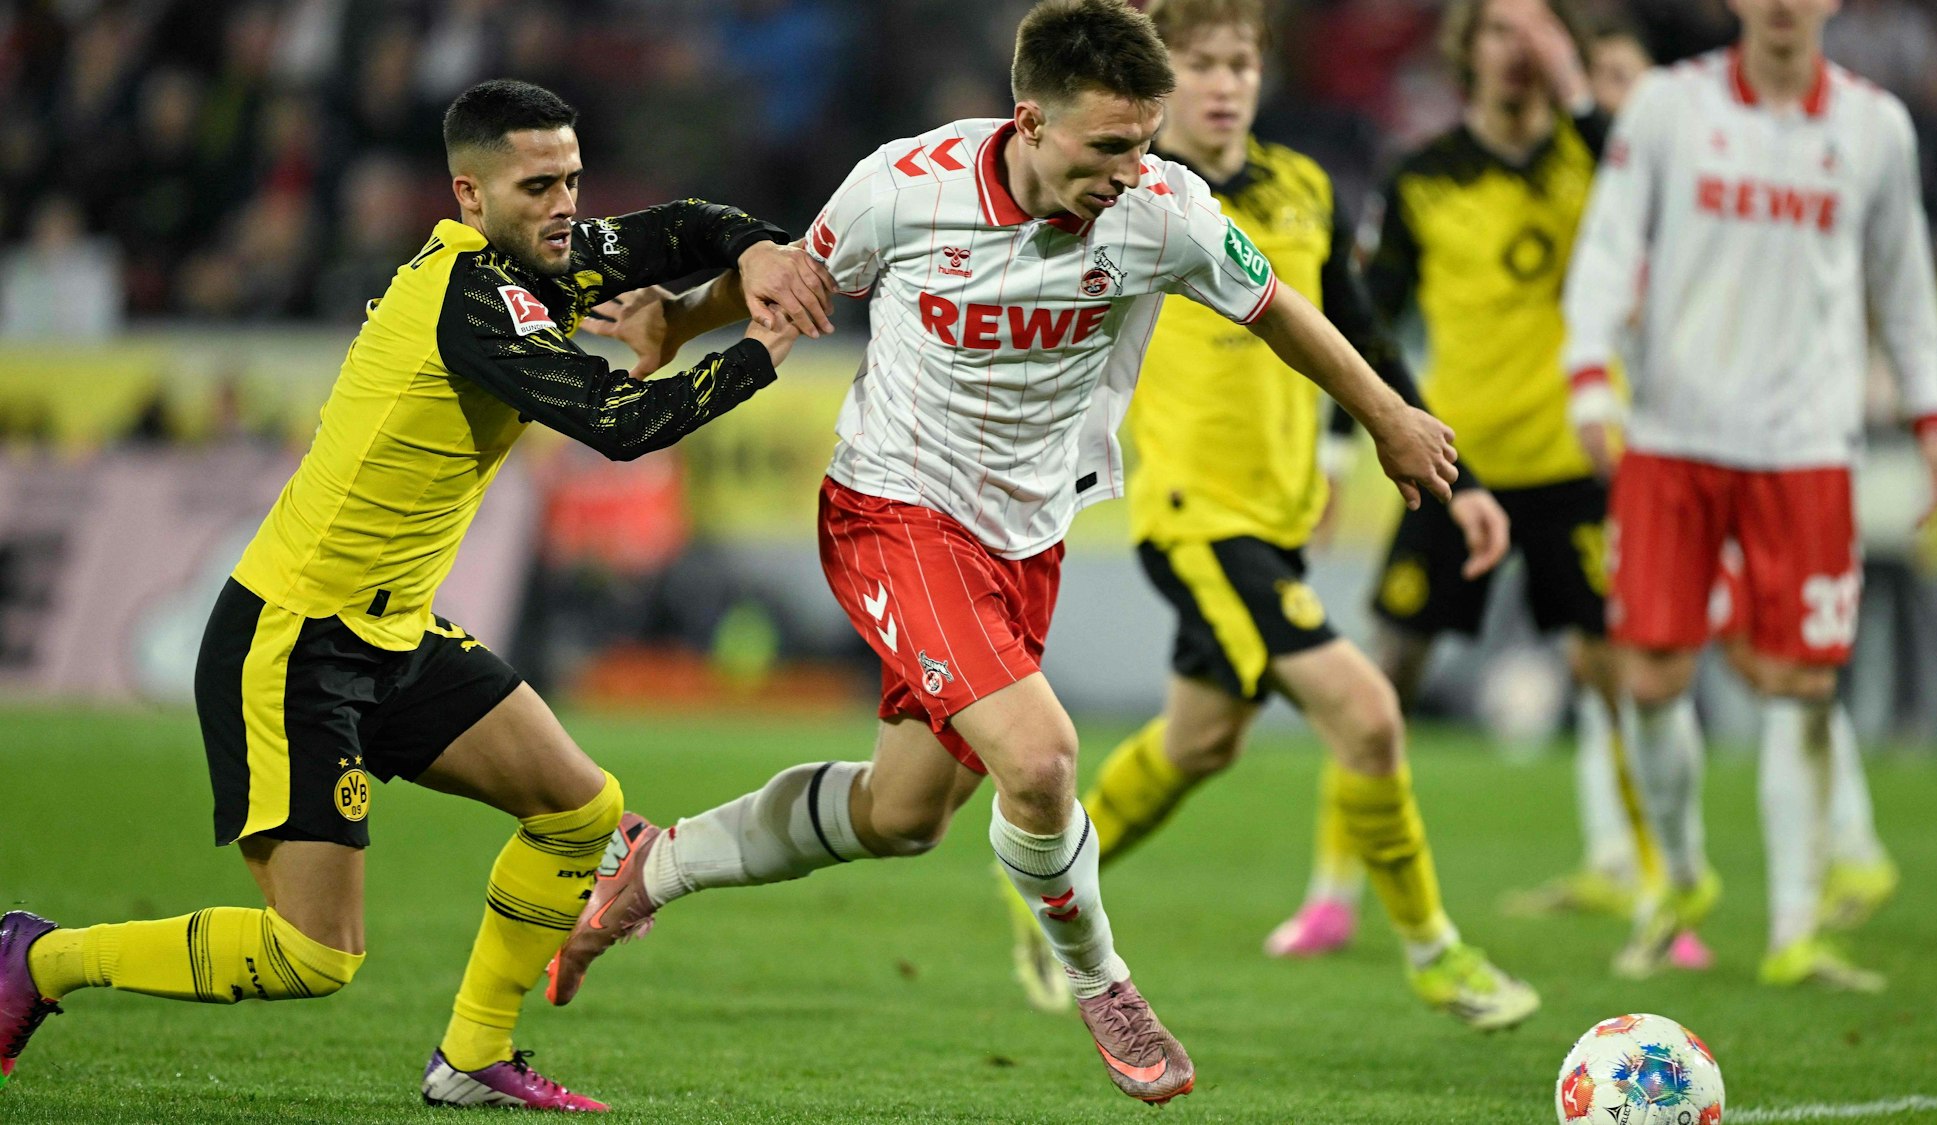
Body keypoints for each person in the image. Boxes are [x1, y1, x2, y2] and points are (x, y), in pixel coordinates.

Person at [544, 0, 1462, 1106]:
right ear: (1028, 120)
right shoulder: (902, 186)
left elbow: (1277, 309)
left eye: (1144, 141)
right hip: (891, 512)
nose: (1132, 169)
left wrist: (1386, 416)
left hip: (1025, 536)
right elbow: (791, 278)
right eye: (1108, 146)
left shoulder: (1163, 209)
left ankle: (653, 865)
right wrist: (680, 324)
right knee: (1039, 759)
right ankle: (1103, 983)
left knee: (900, 818)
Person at [0, 79, 831, 1109]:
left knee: (580, 812)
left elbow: (682, 228)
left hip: (392, 633)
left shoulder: (545, 257)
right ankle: (37, 959)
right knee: (314, 956)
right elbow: (621, 425)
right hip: (294, 641)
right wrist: (758, 351)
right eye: (537, 186)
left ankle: (472, 1056)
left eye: (571, 179)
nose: (564, 204)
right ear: (470, 197)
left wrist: (751, 246)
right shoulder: (468, 298)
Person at [977, 0, 1534, 1033]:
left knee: (1200, 743)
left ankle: (1041, 893)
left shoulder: (1303, 185)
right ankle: (1434, 954)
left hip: (1275, 515)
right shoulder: (1125, 198)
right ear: (1158, 80)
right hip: (1192, 517)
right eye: (1201, 63)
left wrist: (1422, 463)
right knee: (1366, 712)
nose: (1226, 83)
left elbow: (1350, 328)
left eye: (1241, 61)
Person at [1562, 0, 1937, 989]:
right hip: (1670, 436)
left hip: (1803, 447)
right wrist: (1587, 372)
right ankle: (1681, 878)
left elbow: (1900, 276)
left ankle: (1793, 929)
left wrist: (1928, 410)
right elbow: (1607, 244)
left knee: (1802, 686)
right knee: (1647, 678)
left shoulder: (1873, 126)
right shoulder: (1666, 105)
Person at [1274, 0, 1658, 948]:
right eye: (1497, 31)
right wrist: (1333, 452)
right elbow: (1366, 322)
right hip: (1456, 460)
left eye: (1535, 33)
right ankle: (1332, 892)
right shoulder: (1423, 175)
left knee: (1623, 677)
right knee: (1383, 672)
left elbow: (1660, 191)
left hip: (1577, 458)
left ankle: (1660, 893)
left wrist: (1576, 81)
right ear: (1464, 50)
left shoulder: (1600, 158)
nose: (1516, 51)